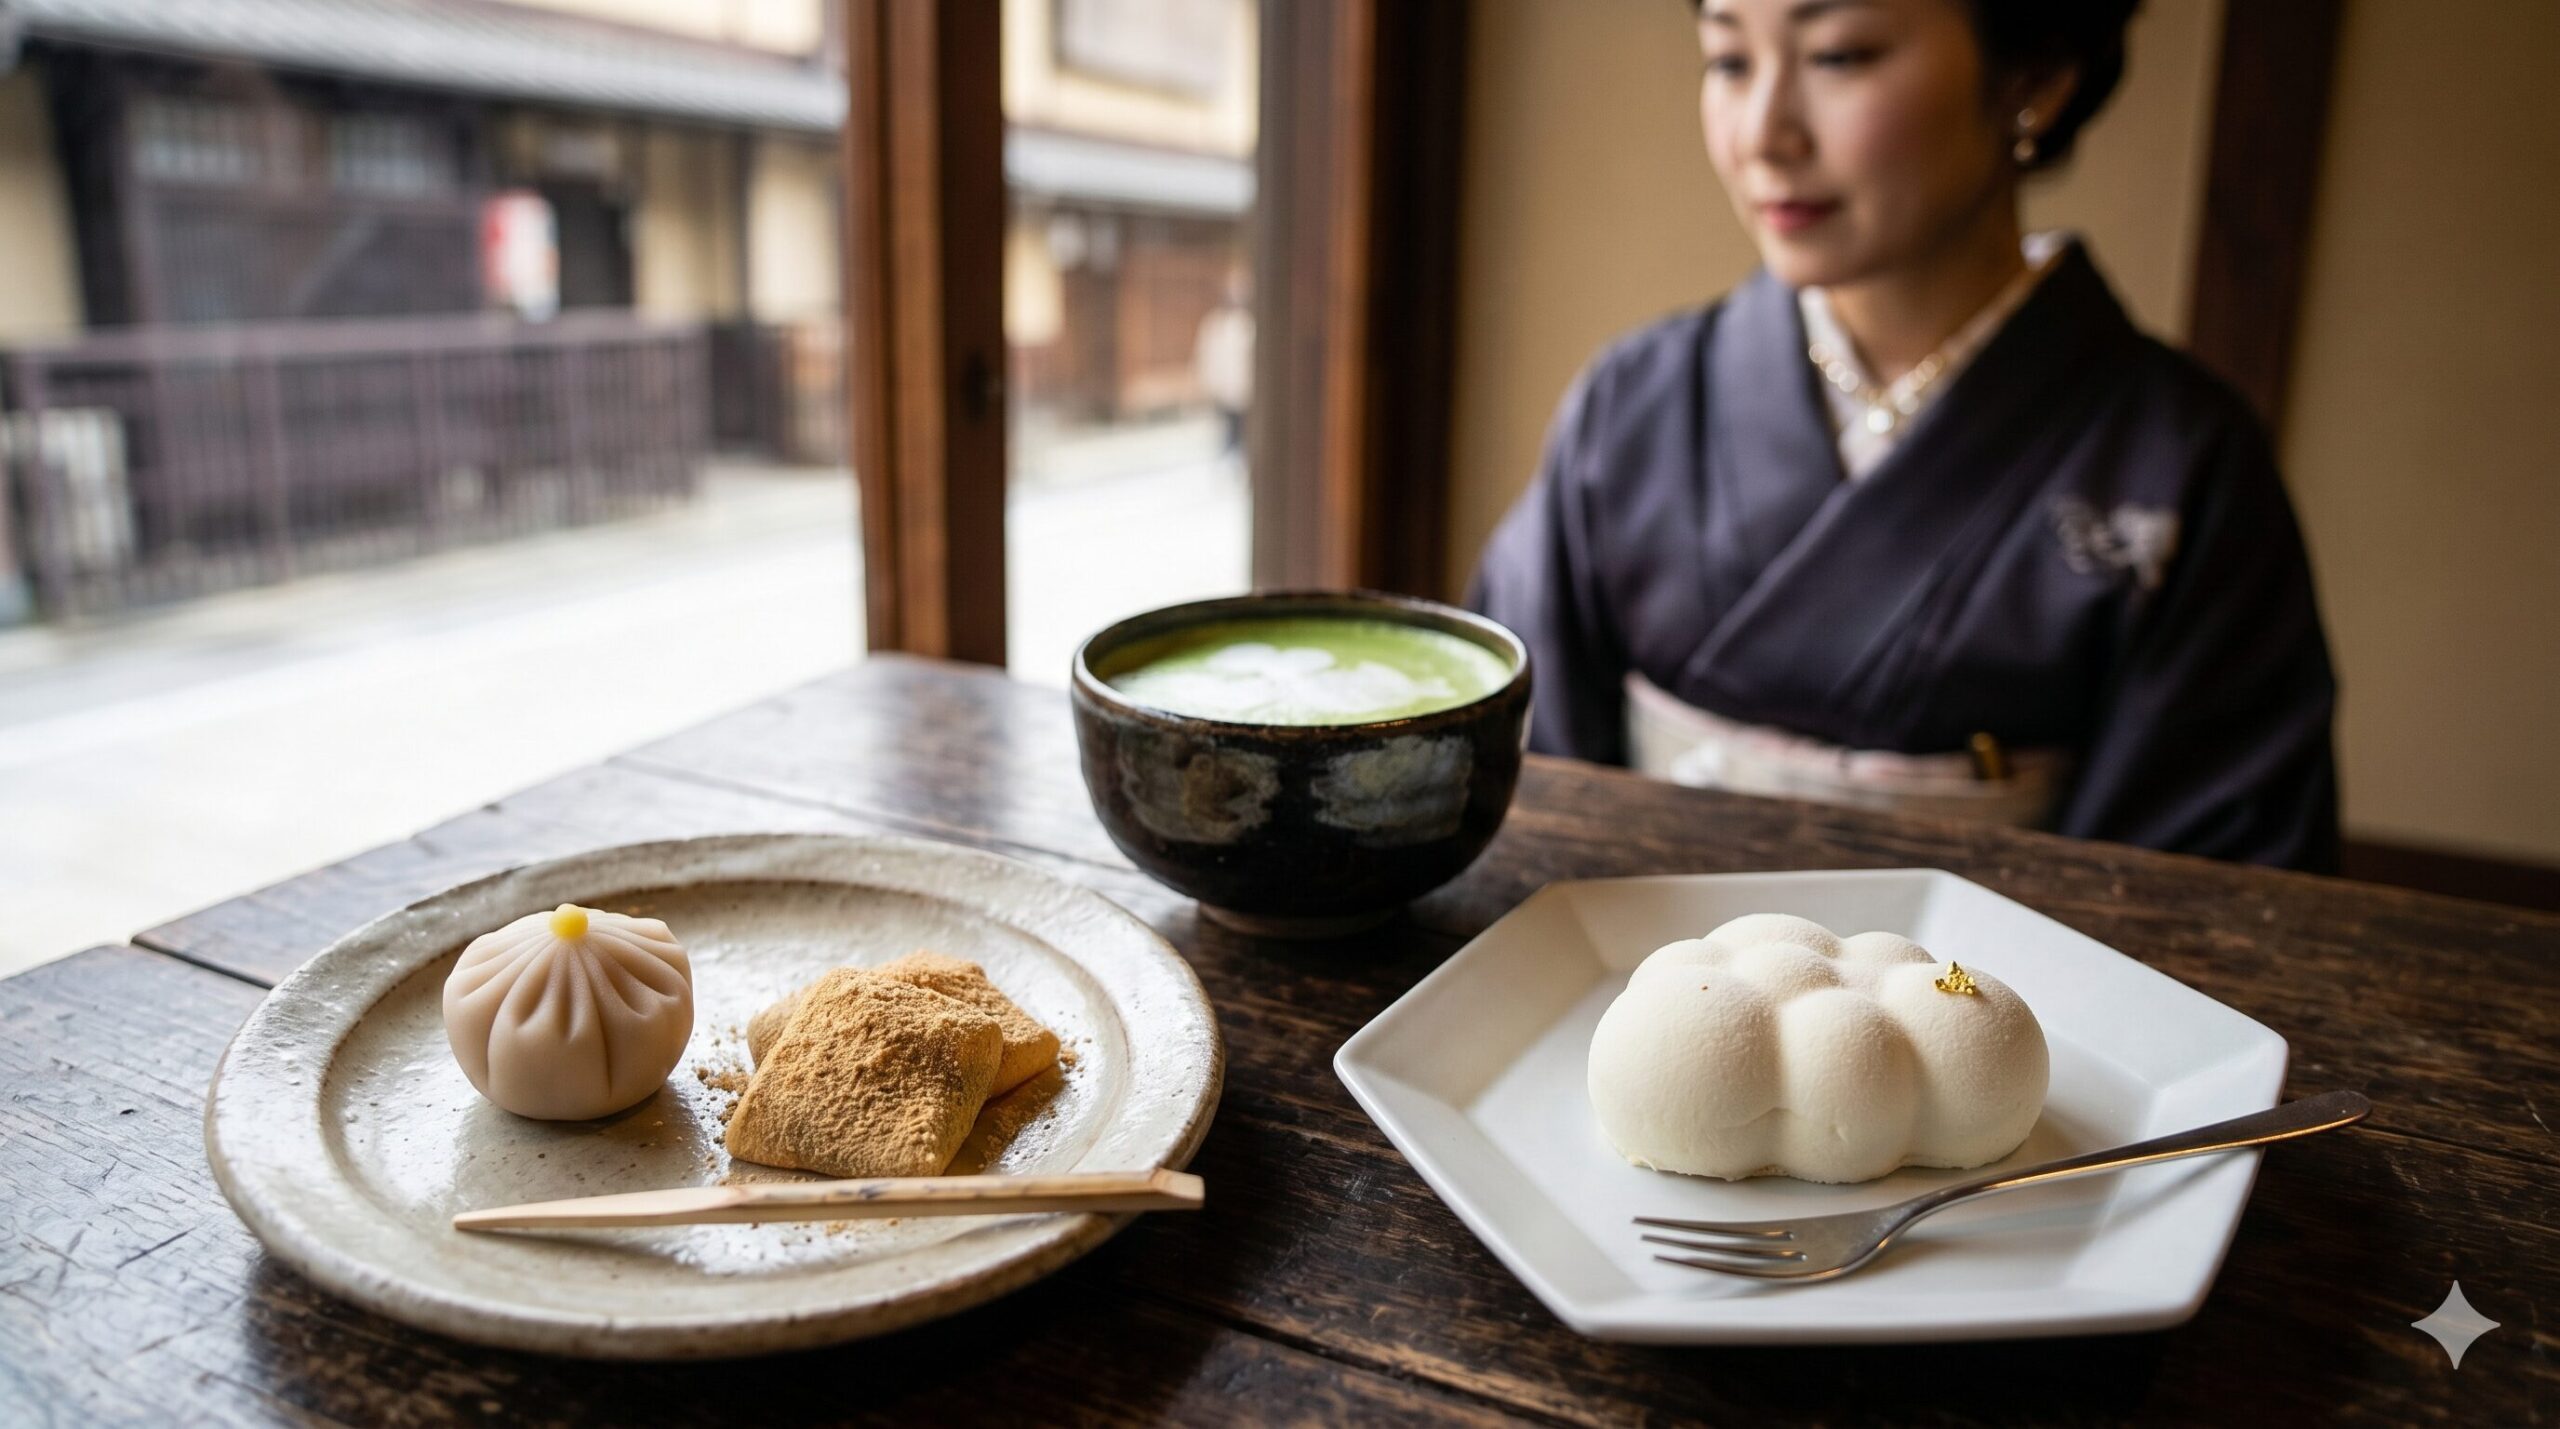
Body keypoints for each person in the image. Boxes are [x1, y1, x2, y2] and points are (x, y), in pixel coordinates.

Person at [1467, 0, 2339, 871]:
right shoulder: (1636, 401)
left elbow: (2206, 898)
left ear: (2033, 79)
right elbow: (1520, 783)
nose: (1765, 135)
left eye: (1839, 56)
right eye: (1730, 61)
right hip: (1639, 985)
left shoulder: (2183, 463)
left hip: (1993, 1001)